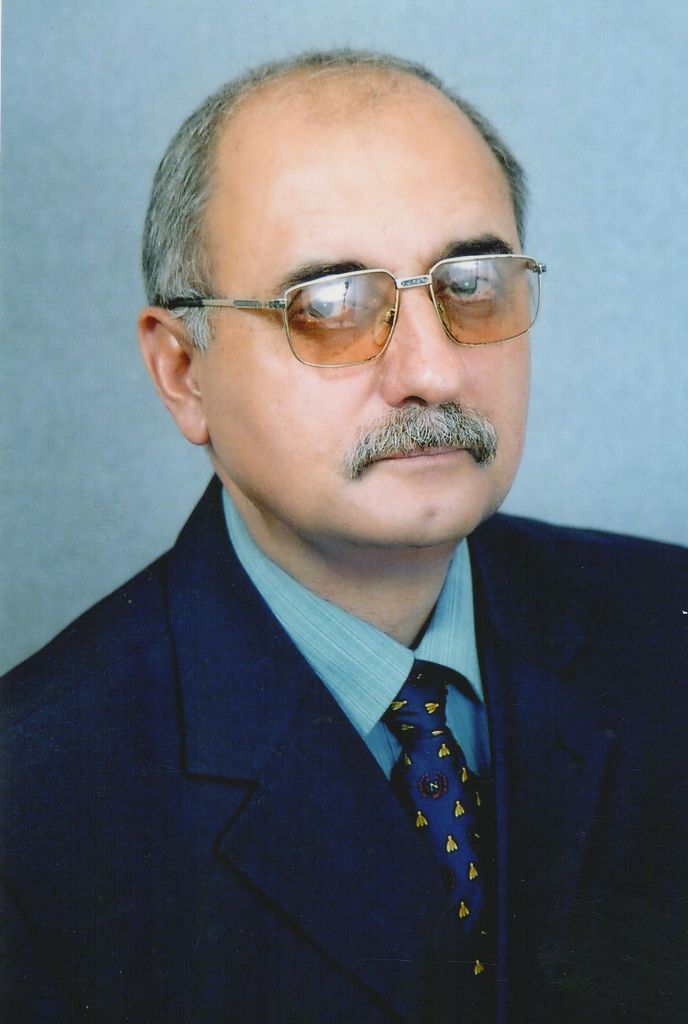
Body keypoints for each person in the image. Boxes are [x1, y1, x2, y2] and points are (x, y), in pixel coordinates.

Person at [1, 50, 686, 1024]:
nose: (432, 373)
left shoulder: (666, 630)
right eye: (328, 306)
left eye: (472, 284)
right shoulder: (36, 805)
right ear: (183, 370)